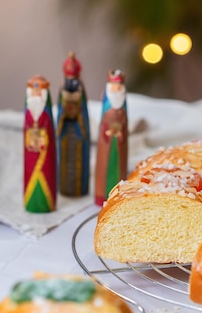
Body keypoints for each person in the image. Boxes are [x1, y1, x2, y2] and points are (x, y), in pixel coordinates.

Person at [56, 52, 90, 196]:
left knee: (79, 161)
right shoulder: (62, 89)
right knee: (64, 159)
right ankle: (64, 188)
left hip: (78, 131)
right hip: (65, 130)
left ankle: (80, 189)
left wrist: (79, 118)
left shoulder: (80, 90)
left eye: (73, 79)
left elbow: (83, 110)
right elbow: (59, 109)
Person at [23, 75, 57, 212]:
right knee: (30, 173)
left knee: (47, 173)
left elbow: (48, 129)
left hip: (45, 153)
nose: (36, 95)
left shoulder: (47, 114)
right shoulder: (27, 113)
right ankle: (31, 203)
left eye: (39, 92)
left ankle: (46, 204)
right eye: (33, 92)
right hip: (31, 152)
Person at [95, 69, 128, 206]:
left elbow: (125, 125)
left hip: (119, 145)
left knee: (119, 167)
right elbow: (103, 126)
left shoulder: (123, 108)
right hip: (107, 145)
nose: (116, 90)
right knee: (104, 166)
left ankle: (116, 195)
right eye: (113, 88)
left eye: (118, 88)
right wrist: (107, 134)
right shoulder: (106, 107)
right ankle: (101, 195)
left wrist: (120, 135)